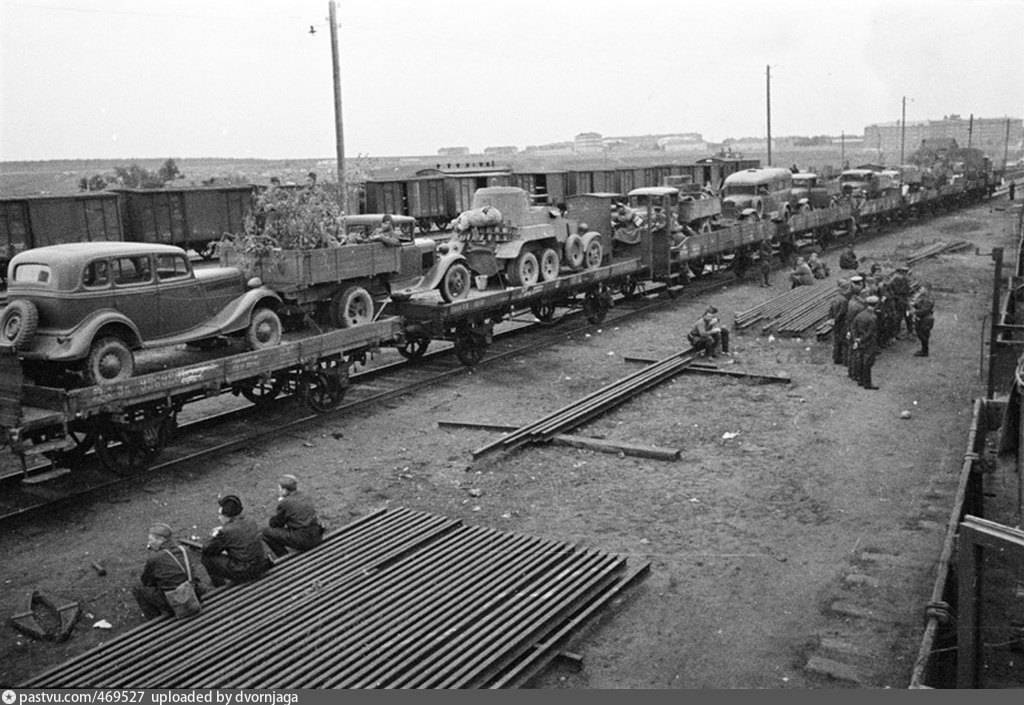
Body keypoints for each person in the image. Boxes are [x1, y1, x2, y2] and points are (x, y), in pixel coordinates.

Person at [133, 523, 204, 620]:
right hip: (193, 594)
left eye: (151, 540)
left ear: (161, 540)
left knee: (138, 588)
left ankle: (156, 619)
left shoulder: (155, 558)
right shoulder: (184, 550)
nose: (149, 543)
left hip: (176, 601)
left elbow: (146, 581)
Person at [201, 495, 271, 588]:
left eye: (220, 515)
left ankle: (220, 586)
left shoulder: (226, 532)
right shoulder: (250, 520)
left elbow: (207, 548)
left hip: (246, 571)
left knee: (206, 558)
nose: (219, 517)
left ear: (226, 516)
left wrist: (215, 536)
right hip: (261, 564)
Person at [261, 475, 325, 558]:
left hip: (305, 540)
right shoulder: (305, 496)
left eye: (280, 489)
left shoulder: (286, 503)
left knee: (266, 533)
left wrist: (282, 503)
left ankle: (285, 557)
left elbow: (276, 524)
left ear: (285, 490)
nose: (279, 491)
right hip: (317, 534)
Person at [849, 295, 880, 390]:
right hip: (869, 343)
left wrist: (856, 339)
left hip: (860, 342)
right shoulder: (873, 317)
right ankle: (867, 383)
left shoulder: (860, 315)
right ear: (876, 305)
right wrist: (861, 339)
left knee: (861, 360)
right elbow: (870, 333)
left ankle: (860, 380)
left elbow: (853, 327)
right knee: (868, 363)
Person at [828, 279, 853, 365]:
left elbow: (830, 310)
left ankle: (836, 358)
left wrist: (831, 319)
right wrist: (837, 319)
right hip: (841, 323)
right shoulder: (844, 300)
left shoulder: (834, 298)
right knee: (843, 341)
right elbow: (842, 312)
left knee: (836, 340)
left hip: (835, 322)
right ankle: (842, 359)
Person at [887, 264, 913, 337]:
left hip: (899, 299)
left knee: (901, 316)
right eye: (905, 272)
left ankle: (898, 332)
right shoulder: (903, 279)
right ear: (903, 272)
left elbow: (890, 287)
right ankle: (908, 331)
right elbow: (907, 290)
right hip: (902, 300)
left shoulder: (895, 278)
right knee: (905, 315)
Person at [912, 285, 935, 357]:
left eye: (922, 288)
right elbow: (919, 305)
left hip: (926, 319)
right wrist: (914, 305)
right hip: (922, 318)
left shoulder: (929, 298)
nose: (920, 290)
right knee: (921, 334)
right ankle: (923, 350)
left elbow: (925, 310)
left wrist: (915, 312)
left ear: (926, 289)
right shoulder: (923, 297)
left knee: (924, 335)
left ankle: (925, 351)